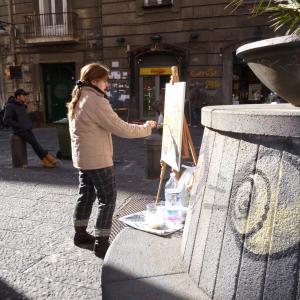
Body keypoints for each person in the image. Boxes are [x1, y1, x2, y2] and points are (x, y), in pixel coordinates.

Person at [67, 63, 156, 257]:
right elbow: (120, 128)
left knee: (86, 196)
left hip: (83, 158)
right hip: (97, 160)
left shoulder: (80, 96)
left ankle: (80, 235)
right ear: (94, 81)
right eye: (105, 81)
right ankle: (101, 243)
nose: (107, 85)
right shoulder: (96, 100)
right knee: (107, 200)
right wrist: (147, 128)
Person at [3, 89, 57, 168]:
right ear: (18, 96)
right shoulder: (10, 106)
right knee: (35, 144)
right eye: (23, 95)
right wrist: (19, 125)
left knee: (35, 144)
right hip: (20, 130)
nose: (25, 97)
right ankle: (49, 158)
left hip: (27, 128)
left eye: (25, 95)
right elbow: (6, 120)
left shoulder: (21, 104)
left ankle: (45, 161)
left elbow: (23, 117)